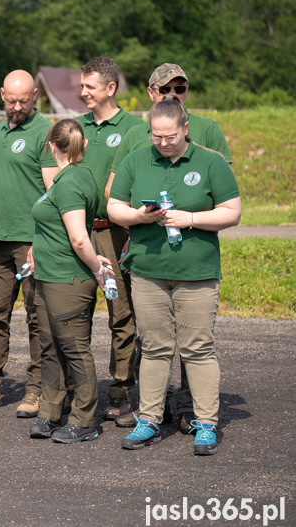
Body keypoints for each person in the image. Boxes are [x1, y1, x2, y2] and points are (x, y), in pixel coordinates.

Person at [109, 98, 240, 456]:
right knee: (153, 347)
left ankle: (206, 423)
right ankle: (149, 420)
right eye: (157, 135)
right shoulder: (136, 160)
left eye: (170, 135)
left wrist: (191, 219)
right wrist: (137, 216)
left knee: (198, 348)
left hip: (196, 273)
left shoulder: (210, 161)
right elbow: (113, 207)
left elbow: (232, 211)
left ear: (185, 128)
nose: (164, 142)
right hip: (148, 273)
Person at [0, 70, 58, 418]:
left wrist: (42, 240)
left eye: (24, 100)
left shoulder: (46, 132)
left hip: (31, 240)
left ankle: (36, 390)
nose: (18, 106)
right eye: (11, 100)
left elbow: (55, 191)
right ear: (2, 95)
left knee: (37, 318)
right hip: (1, 241)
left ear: (35, 95)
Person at [27, 119, 114, 444]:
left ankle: (84, 419)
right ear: (83, 145)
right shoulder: (69, 178)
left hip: (69, 279)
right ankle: (49, 412)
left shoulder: (70, 182)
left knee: (75, 350)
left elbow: (79, 238)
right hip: (47, 278)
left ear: (51, 146)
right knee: (50, 347)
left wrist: (95, 268)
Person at [76, 56, 144, 420]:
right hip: (78, 234)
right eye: (82, 85)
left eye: (90, 86)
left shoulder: (134, 129)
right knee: (76, 311)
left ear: (111, 88)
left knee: (121, 315)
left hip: (116, 235)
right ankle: (80, 390)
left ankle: (120, 390)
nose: (82, 92)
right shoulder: (74, 127)